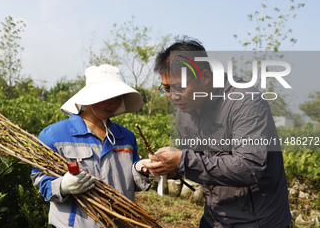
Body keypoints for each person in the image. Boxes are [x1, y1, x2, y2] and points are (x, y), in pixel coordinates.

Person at [143, 38, 291, 228]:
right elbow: (199, 161)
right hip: (215, 218)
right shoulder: (185, 111)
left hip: (258, 222)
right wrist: (172, 168)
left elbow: (249, 168)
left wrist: (183, 161)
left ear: (204, 76)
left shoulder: (245, 101)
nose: (173, 96)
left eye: (179, 88)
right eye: (167, 89)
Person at [31, 64, 151, 227]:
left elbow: (133, 183)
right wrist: (63, 186)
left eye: (118, 98)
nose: (113, 104)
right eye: (106, 96)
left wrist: (141, 170)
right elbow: (40, 181)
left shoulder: (126, 137)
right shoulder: (54, 135)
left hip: (121, 222)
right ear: (90, 96)